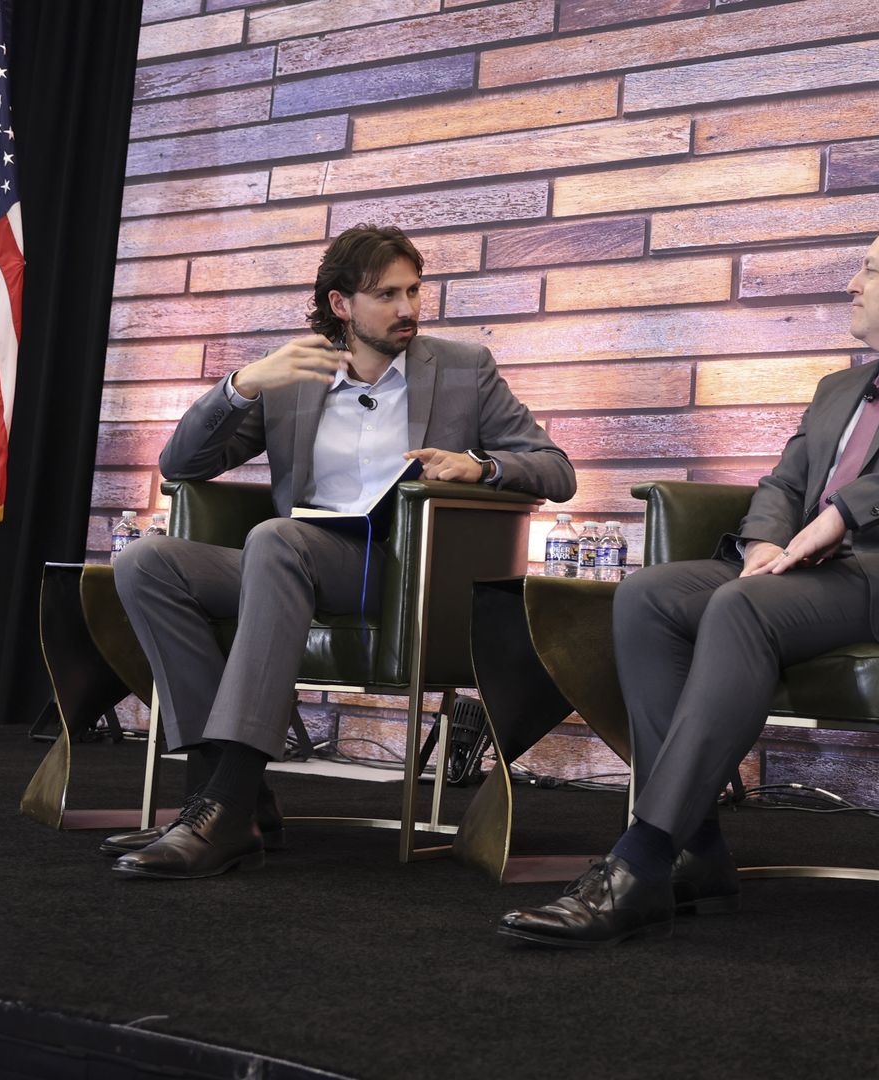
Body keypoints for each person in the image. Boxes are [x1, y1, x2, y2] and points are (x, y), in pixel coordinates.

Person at [496, 223, 879, 948]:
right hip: (794, 573)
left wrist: (842, 515)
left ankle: (641, 859)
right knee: (648, 595)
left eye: (870, 270)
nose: (852, 283)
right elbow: (784, 480)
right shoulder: (842, 385)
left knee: (739, 606)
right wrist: (763, 541)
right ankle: (701, 854)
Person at [106, 224, 576, 880]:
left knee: (276, 538)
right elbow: (183, 463)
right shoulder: (296, 376)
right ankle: (226, 800)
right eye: (387, 294)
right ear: (340, 305)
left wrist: (477, 465)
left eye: (414, 290)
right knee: (146, 562)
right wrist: (242, 383)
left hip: (401, 571)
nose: (408, 308)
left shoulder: (465, 370)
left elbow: (556, 470)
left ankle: (221, 806)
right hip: (291, 563)